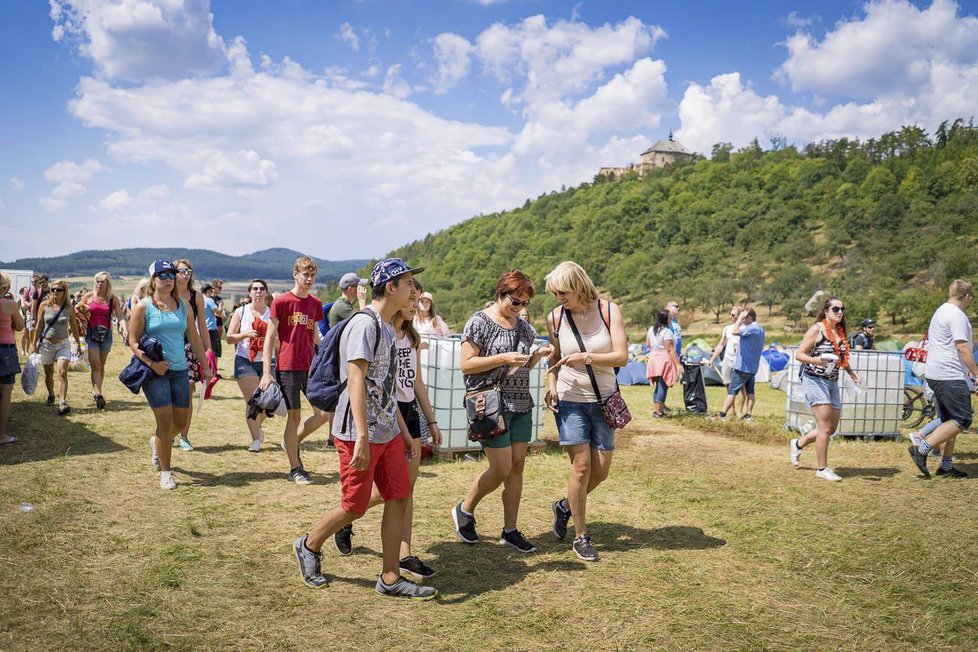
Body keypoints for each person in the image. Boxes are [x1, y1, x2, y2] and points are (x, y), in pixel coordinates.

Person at [292, 257, 438, 599]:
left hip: (386, 430)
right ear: (390, 288)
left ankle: (390, 577)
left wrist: (403, 430)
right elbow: (355, 380)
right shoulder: (366, 325)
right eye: (408, 285)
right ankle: (309, 545)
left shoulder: (388, 327)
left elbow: (385, 388)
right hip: (357, 432)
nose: (413, 291)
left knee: (399, 496)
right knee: (355, 505)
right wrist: (360, 436)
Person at [334, 289, 444, 577]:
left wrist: (430, 420)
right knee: (387, 492)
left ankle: (403, 554)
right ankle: (345, 519)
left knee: (403, 491)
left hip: (406, 411)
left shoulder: (412, 337)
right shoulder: (378, 330)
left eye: (419, 299)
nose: (416, 304)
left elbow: (416, 381)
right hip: (382, 416)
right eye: (412, 297)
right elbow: (368, 382)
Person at [451, 270, 551, 553]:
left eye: (524, 303)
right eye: (515, 302)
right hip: (490, 405)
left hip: (520, 403)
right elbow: (467, 364)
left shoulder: (522, 327)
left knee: (517, 468)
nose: (520, 308)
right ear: (500, 293)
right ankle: (465, 508)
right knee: (501, 468)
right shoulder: (479, 322)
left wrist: (536, 357)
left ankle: (510, 530)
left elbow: (521, 366)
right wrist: (503, 357)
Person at [544, 261, 626, 561]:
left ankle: (565, 506)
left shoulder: (608, 311)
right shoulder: (555, 317)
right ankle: (581, 536)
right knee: (581, 466)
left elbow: (622, 356)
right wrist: (551, 383)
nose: (558, 298)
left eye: (562, 292)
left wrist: (587, 356)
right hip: (570, 398)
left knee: (600, 471)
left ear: (578, 285)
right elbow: (553, 356)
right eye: (554, 293)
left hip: (604, 398)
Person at [128, 260, 212, 490]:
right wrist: (152, 364)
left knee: (180, 423)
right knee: (165, 422)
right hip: (155, 373)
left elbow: (194, 338)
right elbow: (133, 342)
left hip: (180, 371)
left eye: (170, 274)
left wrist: (205, 367)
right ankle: (166, 472)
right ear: (153, 280)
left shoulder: (184, 305)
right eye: (162, 275)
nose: (167, 279)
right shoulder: (144, 307)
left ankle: (158, 443)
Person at [259, 256, 329, 484]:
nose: (309, 279)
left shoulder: (316, 304)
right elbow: (270, 337)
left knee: (323, 415)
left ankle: (290, 442)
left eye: (312, 275)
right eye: (305, 274)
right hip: (287, 367)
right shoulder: (281, 302)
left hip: (310, 367)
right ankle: (295, 467)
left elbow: (315, 337)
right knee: (295, 417)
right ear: (295, 274)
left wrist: (324, 360)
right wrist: (267, 372)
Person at [908, 280, 978, 479]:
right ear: (967, 297)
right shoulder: (957, 315)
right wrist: (976, 372)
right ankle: (921, 448)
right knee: (962, 419)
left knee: (948, 421)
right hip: (950, 375)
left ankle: (946, 466)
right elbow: (962, 347)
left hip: (935, 373)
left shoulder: (940, 311)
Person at [789, 297, 860, 481]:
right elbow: (799, 354)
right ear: (826, 311)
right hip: (814, 380)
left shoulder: (841, 332)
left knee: (831, 428)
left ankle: (798, 443)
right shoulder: (817, 329)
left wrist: (851, 372)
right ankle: (822, 469)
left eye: (842, 309)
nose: (840, 312)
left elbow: (841, 359)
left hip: (832, 381)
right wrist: (816, 361)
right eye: (836, 309)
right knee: (824, 427)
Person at [227, 278, 274, 452]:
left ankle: (257, 425)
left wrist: (273, 340)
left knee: (269, 403)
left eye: (262, 289)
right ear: (250, 292)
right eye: (255, 289)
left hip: (268, 361)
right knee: (254, 401)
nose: (259, 292)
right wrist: (246, 334)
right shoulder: (241, 312)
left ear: (266, 293)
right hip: (245, 360)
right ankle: (255, 440)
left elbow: (281, 341)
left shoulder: (273, 313)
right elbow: (230, 337)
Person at [174, 259, 211, 451]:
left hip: (189, 348)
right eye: (181, 270)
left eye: (189, 270)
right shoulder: (167, 294)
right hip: (169, 347)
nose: (186, 274)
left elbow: (202, 326)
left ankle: (184, 436)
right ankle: (169, 430)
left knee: (187, 395)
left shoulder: (196, 296)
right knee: (170, 394)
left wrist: (208, 349)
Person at [32, 279, 81, 416]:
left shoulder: (69, 307)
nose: (54, 292)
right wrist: (33, 344)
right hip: (46, 344)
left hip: (63, 343)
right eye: (52, 289)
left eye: (58, 289)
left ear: (64, 292)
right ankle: (51, 394)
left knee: (62, 372)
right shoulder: (44, 305)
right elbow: (39, 326)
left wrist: (78, 343)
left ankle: (62, 402)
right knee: (48, 374)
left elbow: (74, 326)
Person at [80, 272, 128, 410]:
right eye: (97, 281)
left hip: (106, 334)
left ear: (108, 283)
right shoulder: (89, 296)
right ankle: (98, 394)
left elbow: (120, 316)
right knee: (95, 365)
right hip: (91, 333)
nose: (99, 284)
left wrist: (124, 329)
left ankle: (97, 389)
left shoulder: (113, 299)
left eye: (102, 282)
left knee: (101, 365)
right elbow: (78, 312)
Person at [712, 308, 765, 421]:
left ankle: (722, 414)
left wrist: (739, 319)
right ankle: (748, 415)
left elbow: (734, 332)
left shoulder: (752, 328)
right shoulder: (760, 329)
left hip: (742, 366)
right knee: (750, 391)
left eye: (744, 318)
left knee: (732, 391)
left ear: (749, 318)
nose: (743, 321)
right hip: (752, 367)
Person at [707, 307, 747, 417]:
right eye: (730, 314)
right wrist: (712, 358)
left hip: (740, 361)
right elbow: (721, 344)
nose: (730, 316)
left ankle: (740, 411)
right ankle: (731, 410)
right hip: (728, 360)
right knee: (728, 385)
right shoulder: (727, 328)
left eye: (733, 315)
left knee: (741, 387)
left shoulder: (745, 328)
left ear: (740, 316)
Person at [0, 272, 25, 445]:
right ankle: (1, 435)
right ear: (6, 287)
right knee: (5, 395)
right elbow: (21, 325)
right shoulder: (8, 304)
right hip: (5, 351)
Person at [645, 309, 681, 417]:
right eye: (670, 317)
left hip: (653, 358)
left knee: (658, 386)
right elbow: (670, 349)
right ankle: (658, 412)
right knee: (662, 386)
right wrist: (678, 364)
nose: (671, 319)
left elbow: (648, 344)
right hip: (664, 359)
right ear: (665, 319)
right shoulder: (667, 332)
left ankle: (656, 409)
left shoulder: (651, 329)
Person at [210, 278, 226, 358]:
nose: (220, 290)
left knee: (217, 344)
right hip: (211, 324)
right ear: (213, 287)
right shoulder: (209, 299)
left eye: (221, 288)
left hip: (219, 323)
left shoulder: (219, 299)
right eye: (219, 288)